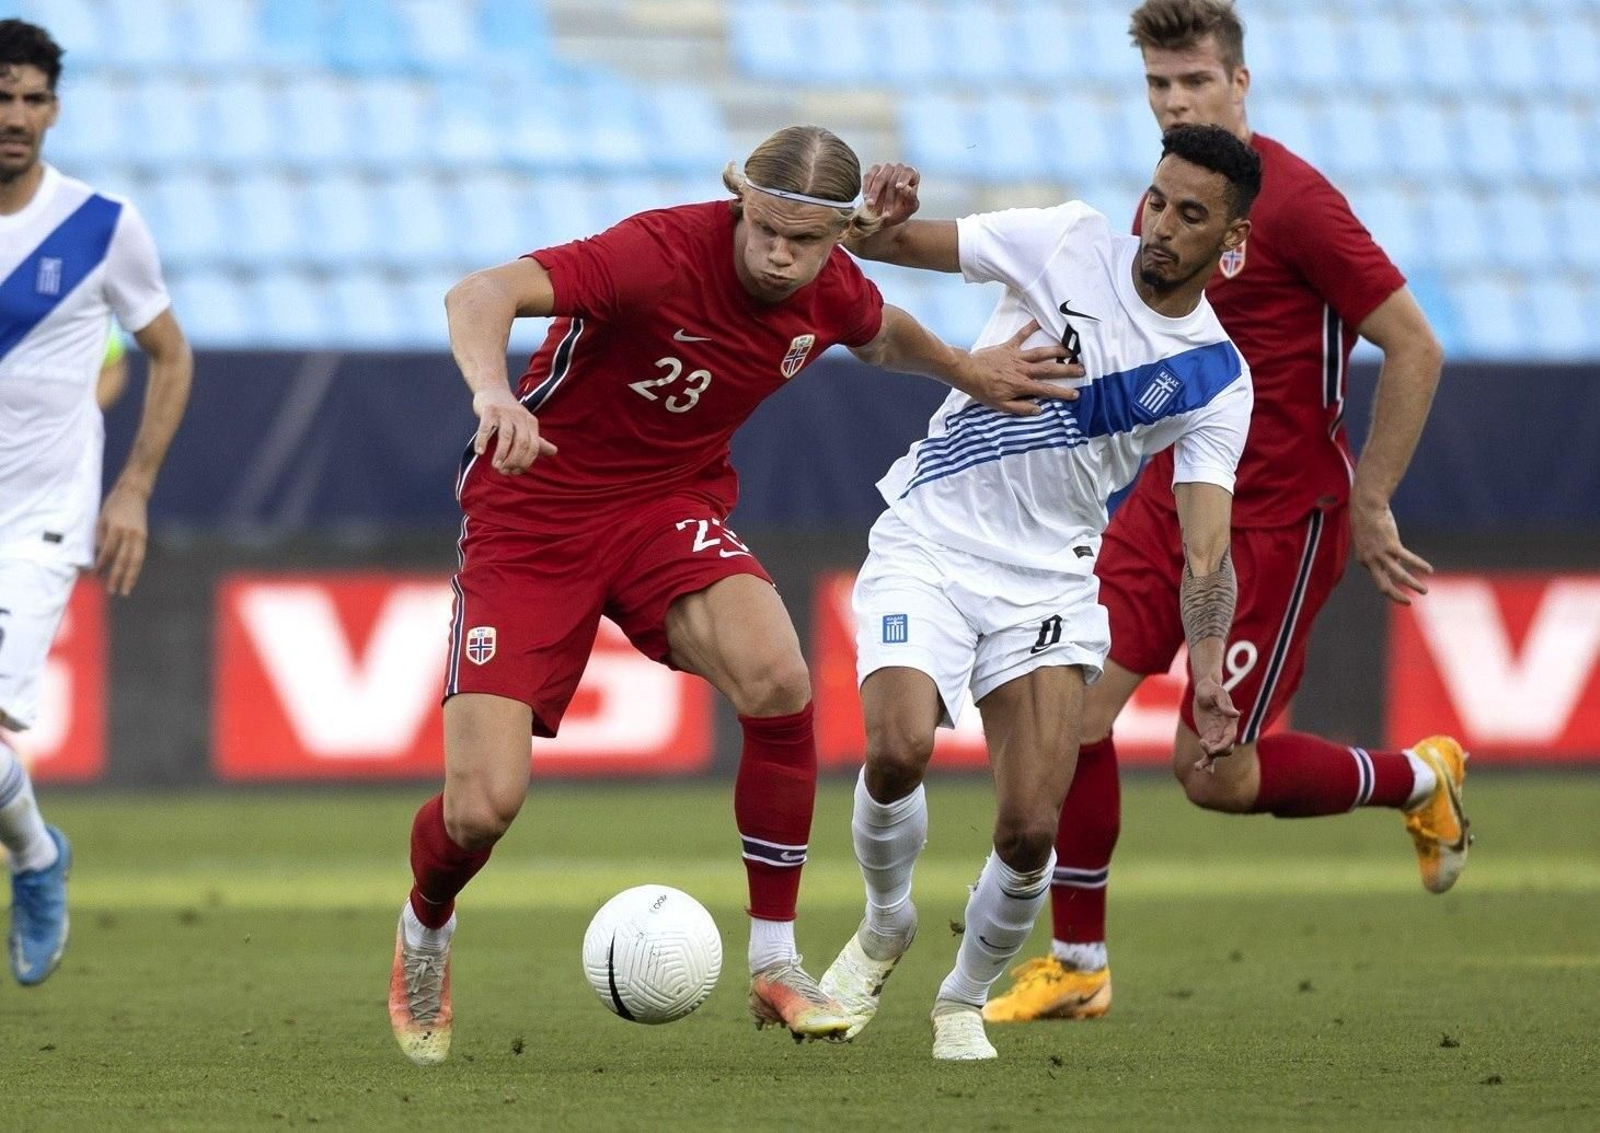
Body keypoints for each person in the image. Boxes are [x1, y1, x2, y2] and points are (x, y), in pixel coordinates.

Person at [388, 124, 1084, 1066]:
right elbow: (480, 291)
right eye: (764, 227)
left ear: (838, 236)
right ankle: (427, 926)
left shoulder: (827, 285)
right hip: (535, 511)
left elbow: (881, 337)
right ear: (740, 201)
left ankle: (775, 960)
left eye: (804, 239)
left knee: (780, 677)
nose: (778, 252)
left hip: (665, 507)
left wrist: (968, 368)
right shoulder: (656, 251)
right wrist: (491, 394)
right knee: (481, 807)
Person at [984, 0, 1461, 1026]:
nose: (1174, 102)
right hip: (1167, 494)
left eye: (1194, 83)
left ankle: (1417, 775)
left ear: (1239, 84)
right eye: (1159, 86)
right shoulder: (1165, 194)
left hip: (1275, 522)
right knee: (1067, 700)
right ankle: (1078, 960)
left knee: (1212, 771)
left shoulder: (1295, 205)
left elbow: (1413, 344)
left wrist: (1369, 496)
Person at [818, 123, 1259, 1060]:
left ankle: (962, 998)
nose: (1160, 226)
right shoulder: (1064, 240)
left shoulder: (1217, 378)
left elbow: (1206, 546)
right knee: (895, 750)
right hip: (931, 537)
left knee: (1028, 828)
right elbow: (886, 244)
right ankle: (886, 920)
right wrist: (876, 216)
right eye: (1157, 199)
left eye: (1190, 215)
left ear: (1232, 244)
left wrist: (1209, 671)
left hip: (1048, 580)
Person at [0, 19, 193, 985]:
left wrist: (135, 486)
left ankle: (34, 864)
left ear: (55, 109)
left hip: (38, 516)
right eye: (3, 97)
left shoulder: (99, 226)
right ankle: (37, 850)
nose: (17, 117)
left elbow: (169, 351)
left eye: (33, 99)